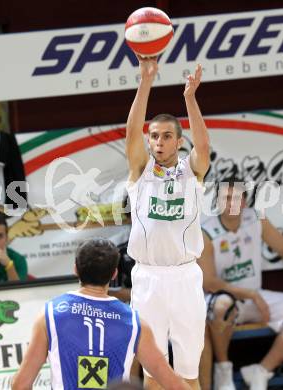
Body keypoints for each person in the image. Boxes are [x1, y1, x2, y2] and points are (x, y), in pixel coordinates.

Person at [125, 55, 210, 390]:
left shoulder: (193, 170)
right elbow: (131, 131)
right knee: (153, 373)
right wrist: (145, 81)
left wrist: (190, 98)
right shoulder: (140, 169)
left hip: (185, 276)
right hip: (147, 278)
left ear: (178, 141)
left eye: (165, 136)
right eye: (154, 136)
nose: (158, 142)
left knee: (188, 374)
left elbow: (204, 145)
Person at [12, 237, 191, 390]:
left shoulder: (50, 314)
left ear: (75, 268)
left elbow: (20, 385)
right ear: (114, 274)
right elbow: (173, 384)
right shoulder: (134, 322)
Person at [198, 179, 283, 390]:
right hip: (223, 297)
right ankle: (224, 371)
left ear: (244, 201)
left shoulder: (256, 219)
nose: (232, 203)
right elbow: (209, 282)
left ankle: (261, 371)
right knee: (221, 307)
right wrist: (251, 295)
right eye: (226, 198)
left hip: (254, 296)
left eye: (237, 197)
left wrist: (253, 295)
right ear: (217, 201)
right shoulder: (206, 230)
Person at [0, 211, 28, 282]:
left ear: (6, 238)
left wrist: (9, 265)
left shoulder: (18, 260)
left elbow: (19, 292)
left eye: (0, 236)